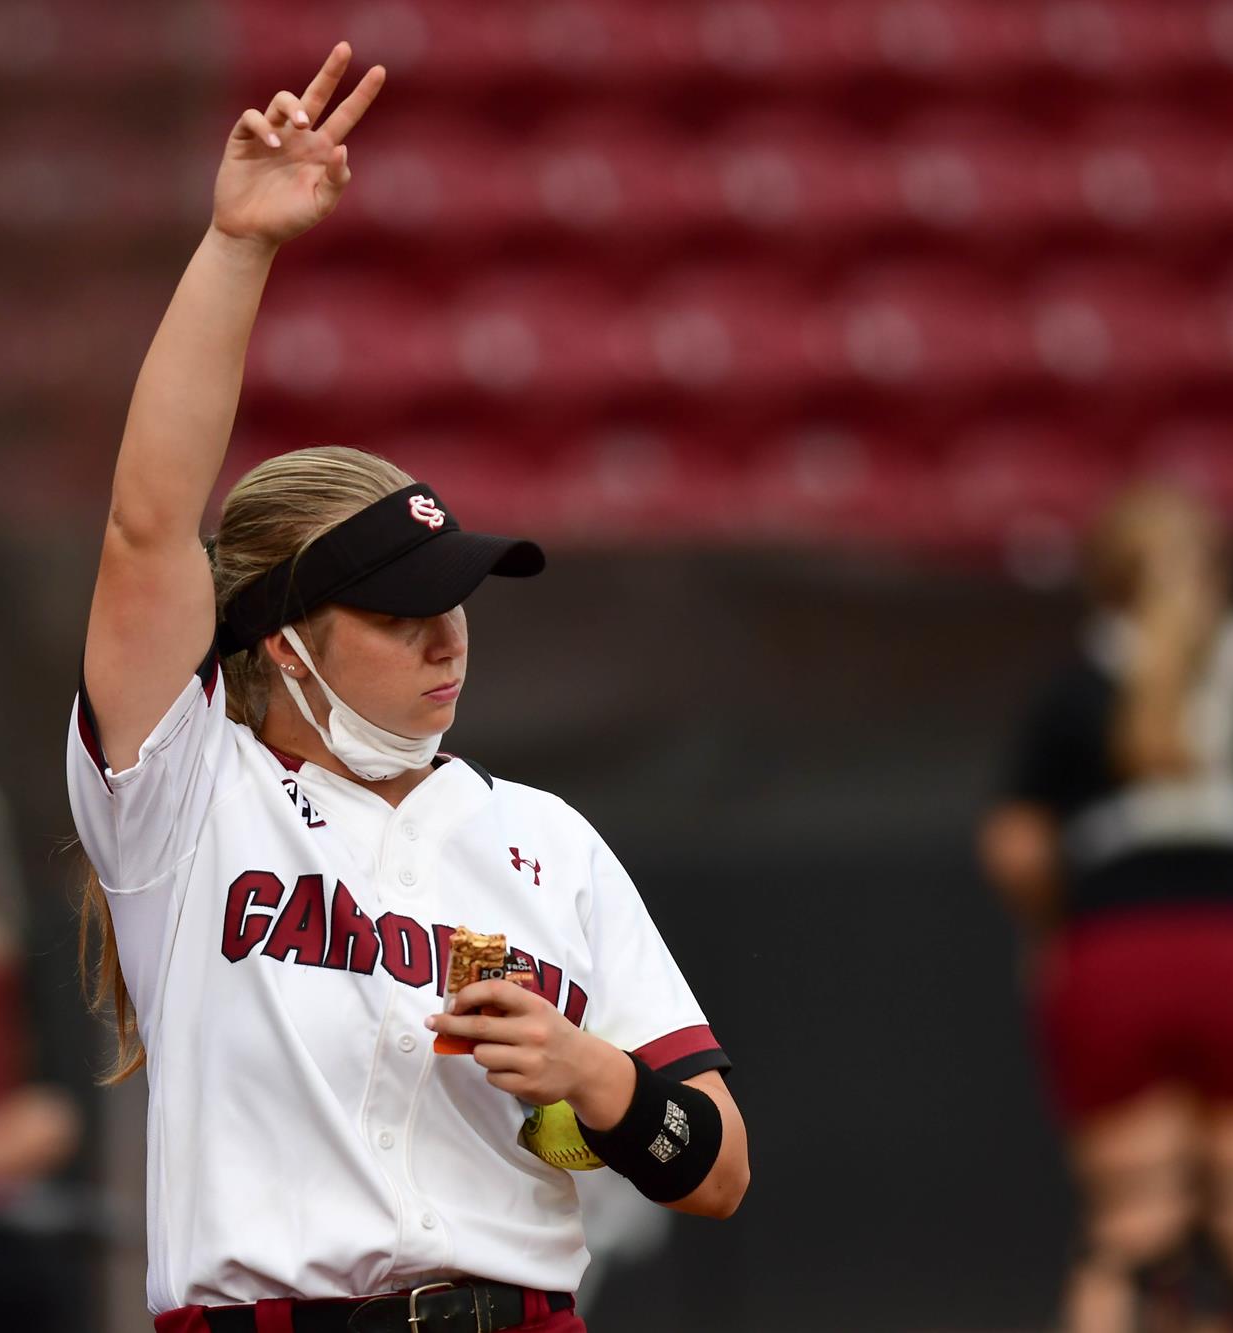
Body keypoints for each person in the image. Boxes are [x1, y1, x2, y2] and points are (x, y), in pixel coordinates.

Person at [65, 44, 748, 1333]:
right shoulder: (187, 803)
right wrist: (237, 248)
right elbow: (148, 532)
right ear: (281, 641)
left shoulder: (545, 841)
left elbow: (716, 1168)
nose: (446, 638)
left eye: (455, 603)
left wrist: (595, 1076)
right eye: (397, 611)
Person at [979, 485, 1233, 1333]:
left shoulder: (1075, 688)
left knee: (1131, 1232)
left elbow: (1014, 843)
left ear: (1104, 580)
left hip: (1111, 959)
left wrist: (1056, 922)